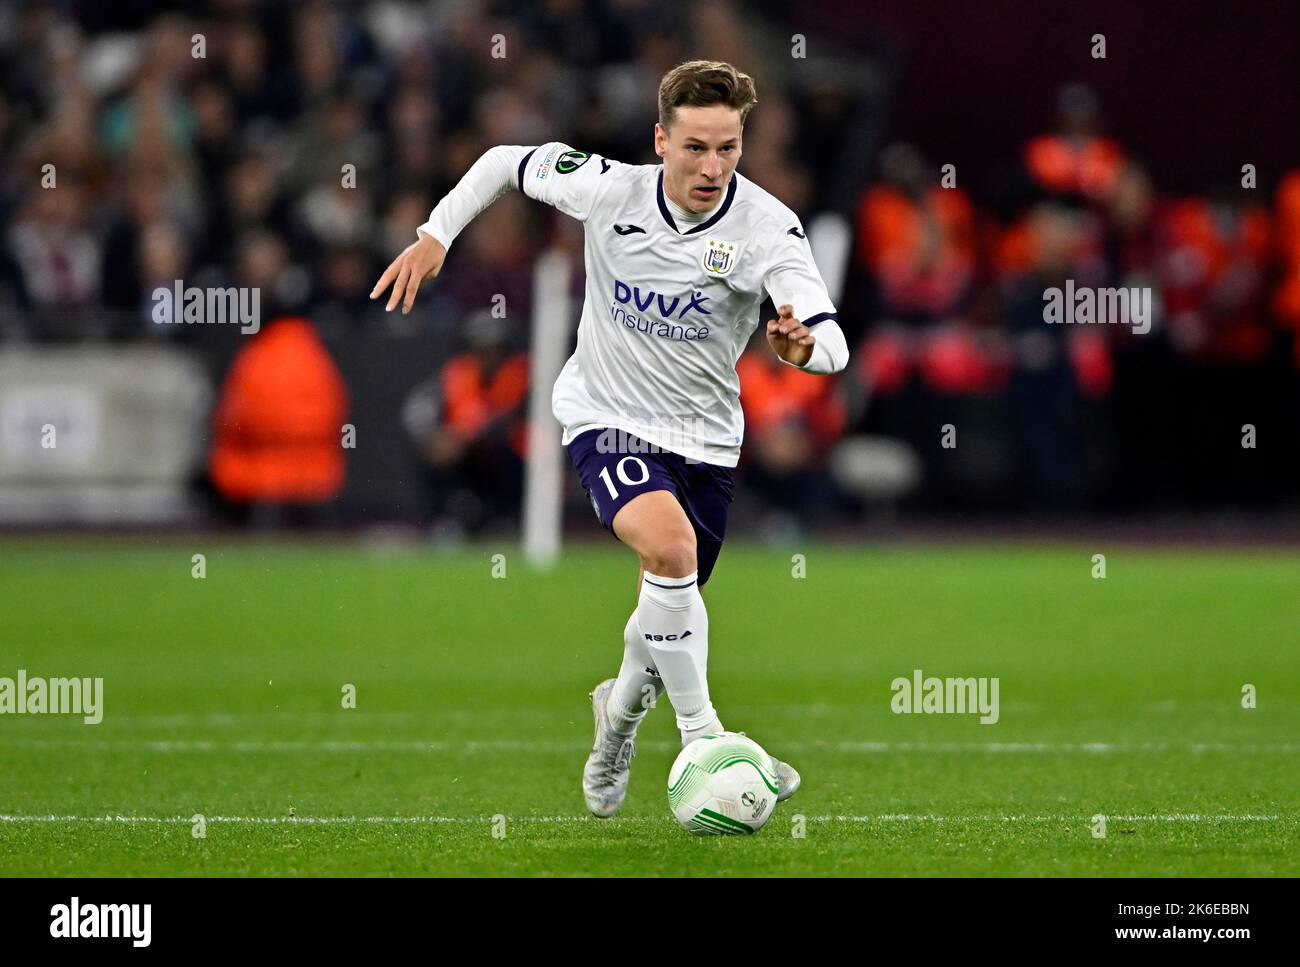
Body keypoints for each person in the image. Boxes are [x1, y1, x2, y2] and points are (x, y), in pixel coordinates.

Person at [370, 60, 848, 817]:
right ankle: (707, 738)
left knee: (660, 627)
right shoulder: (608, 188)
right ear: (661, 139)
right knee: (670, 551)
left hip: (706, 442)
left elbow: (831, 343)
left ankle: (616, 725)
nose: (712, 166)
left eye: (728, 148)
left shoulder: (766, 228)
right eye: (695, 146)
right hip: (606, 415)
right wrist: (436, 235)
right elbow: (504, 162)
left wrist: (797, 348)